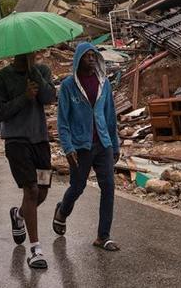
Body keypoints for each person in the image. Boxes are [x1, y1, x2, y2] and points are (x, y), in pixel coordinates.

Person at [53, 43, 120, 251]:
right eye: (86, 56)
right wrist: (68, 147)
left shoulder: (104, 83)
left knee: (108, 187)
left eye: (94, 55)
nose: (91, 59)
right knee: (78, 186)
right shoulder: (68, 86)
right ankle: (62, 211)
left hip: (103, 143)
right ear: (78, 60)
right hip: (80, 146)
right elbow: (63, 121)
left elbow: (110, 115)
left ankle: (103, 236)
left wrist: (114, 144)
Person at [0, 52, 56, 269]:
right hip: (16, 141)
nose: (29, 53)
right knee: (31, 190)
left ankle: (19, 214)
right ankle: (36, 250)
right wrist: (24, 97)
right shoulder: (1, 78)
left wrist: (34, 72)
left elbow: (49, 98)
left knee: (43, 190)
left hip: (40, 140)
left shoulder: (43, 71)